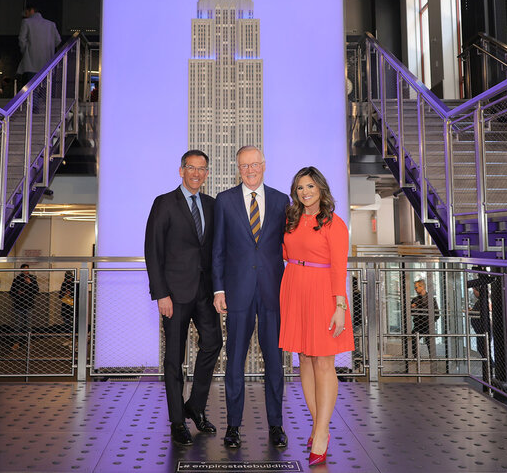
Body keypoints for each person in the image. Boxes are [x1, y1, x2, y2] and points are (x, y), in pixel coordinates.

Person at [212, 145, 288, 449]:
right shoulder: (224, 201)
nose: (250, 170)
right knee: (235, 363)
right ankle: (232, 426)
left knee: (275, 363)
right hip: (237, 294)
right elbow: (217, 249)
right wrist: (218, 289)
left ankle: (276, 425)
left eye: (255, 164)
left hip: (273, 293)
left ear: (264, 165)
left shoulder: (283, 201)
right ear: (238, 168)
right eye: (244, 166)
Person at [145, 150, 222, 446]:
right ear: (181, 170)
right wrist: (160, 294)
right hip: (173, 296)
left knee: (214, 343)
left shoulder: (212, 205)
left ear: (206, 173)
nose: (196, 173)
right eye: (191, 168)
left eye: (202, 169)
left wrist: (219, 289)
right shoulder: (164, 203)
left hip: (205, 293)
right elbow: (153, 251)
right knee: (174, 358)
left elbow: (215, 250)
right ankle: (178, 420)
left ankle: (195, 406)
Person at [278, 167, 353, 466]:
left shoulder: (334, 223)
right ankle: (317, 424)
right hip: (295, 288)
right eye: (299, 188)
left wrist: (340, 307)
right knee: (305, 360)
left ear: (321, 188)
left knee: (324, 361)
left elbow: (339, 267)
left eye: (310, 186)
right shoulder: (291, 219)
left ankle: (321, 432)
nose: (305, 192)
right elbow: (283, 252)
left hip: (323, 293)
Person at [17, 5, 61, 88]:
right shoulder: (51, 24)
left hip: (30, 62)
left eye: (26, 12)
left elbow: (22, 40)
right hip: (47, 61)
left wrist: (25, 51)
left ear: (31, 10)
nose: (25, 15)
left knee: (32, 88)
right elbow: (58, 41)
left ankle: (34, 101)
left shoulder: (26, 22)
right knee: (45, 89)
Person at [9, 264, 39, 351]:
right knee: (17, 325)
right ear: (21, 270)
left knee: (28, 325)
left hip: (28, 305)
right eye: (24, 270)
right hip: (18, 305)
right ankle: (16, 343)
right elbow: (11, 292)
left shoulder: (32, 279)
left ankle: (28, 343)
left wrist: (30, 283)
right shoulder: (17, 279)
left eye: (27, 269)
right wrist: (18, 292)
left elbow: (36, 290)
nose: (26, 271)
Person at [410, 278, 439, 359]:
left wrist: (431, 321)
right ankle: (417, 358)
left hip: (428, 324)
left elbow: (437, 313)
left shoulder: (431, 299)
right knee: (413, 338)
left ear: (422, 287)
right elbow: (410, 313)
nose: (415, 289)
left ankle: (432, 358)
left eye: (416, 287)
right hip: (418, 325)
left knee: (429, 341)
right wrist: (412, 308)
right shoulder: (415, 300)